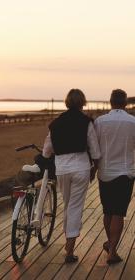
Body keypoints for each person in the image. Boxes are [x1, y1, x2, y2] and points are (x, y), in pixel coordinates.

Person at [43, 89, 100, 263]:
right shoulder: (86, 122)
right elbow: (95, 151)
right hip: (81, 168)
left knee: (68, 205)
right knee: (74, 207)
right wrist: (94, 170)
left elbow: (47, 150)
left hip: (62, 169)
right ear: (83, 102)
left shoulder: (56, 123)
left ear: (67, 102)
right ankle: (69, 249)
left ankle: (69, 242)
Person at [94, 89, 135, 265]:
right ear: (125, 103)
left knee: (108, 211)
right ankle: (111, 251)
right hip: (125, 173)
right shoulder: (133, 122)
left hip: (104, 172)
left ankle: (111, 245)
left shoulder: (100, 122)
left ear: (110, 102)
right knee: (118, 212)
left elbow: (94, 148)